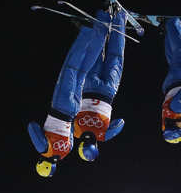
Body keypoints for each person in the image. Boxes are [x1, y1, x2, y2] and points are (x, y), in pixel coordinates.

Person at [27, 10, 123, 177]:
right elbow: (32, 127)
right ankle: (86, 31)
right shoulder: (44, 149)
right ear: (41, 162)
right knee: (71, 66)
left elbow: (119, 123)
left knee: (85, 68)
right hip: (60, 105)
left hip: (74, 108)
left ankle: (100, 28)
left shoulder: (67, 151)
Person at [72, 9, 127, 161]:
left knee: (115, 56)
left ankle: (120, 17)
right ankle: (102, 16)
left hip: (108, 91)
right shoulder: (75, 132)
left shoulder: (103, 135)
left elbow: (120, 123)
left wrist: (102, 131)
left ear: (95, 146)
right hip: (88, 86)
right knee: (95, 52)